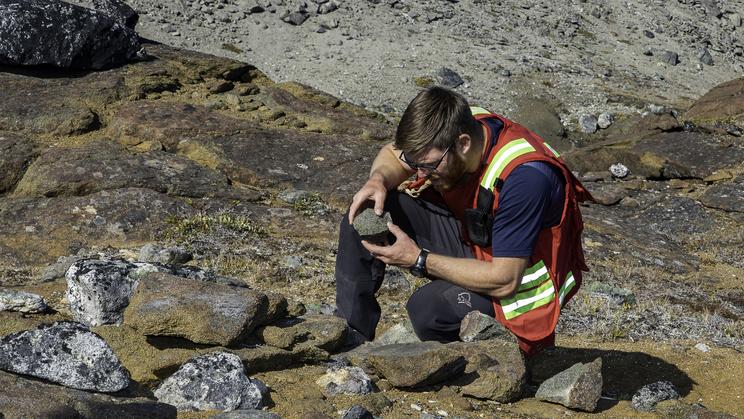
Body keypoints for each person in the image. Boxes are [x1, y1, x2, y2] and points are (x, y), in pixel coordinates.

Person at [335, 86, 592, 356]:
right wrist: (378, 179)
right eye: (416, 164)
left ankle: (494, 363)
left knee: (428, 309)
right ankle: (352, 340)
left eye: (430, 166)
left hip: (517, 290)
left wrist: (418, 259)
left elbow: (505, 279)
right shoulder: (460, 125)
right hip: (477, 240)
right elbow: (393, 153)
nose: (420, 173)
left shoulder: (526, 179)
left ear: (463, 143)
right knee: (365, 213)